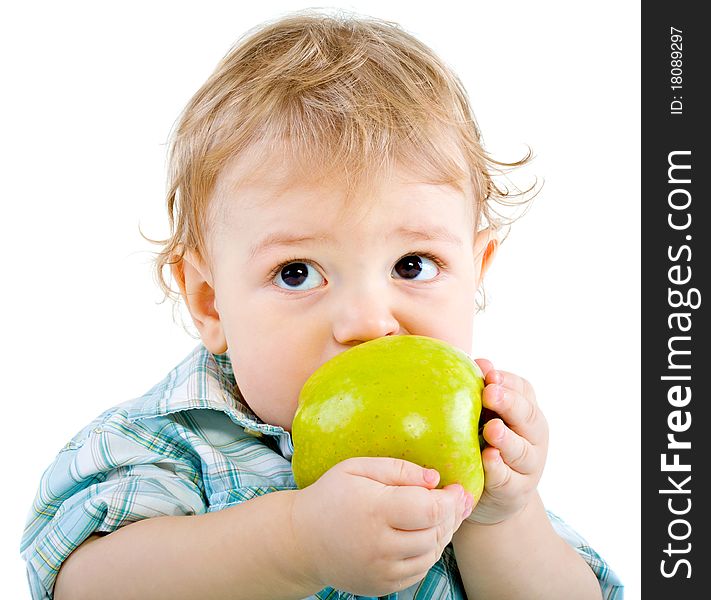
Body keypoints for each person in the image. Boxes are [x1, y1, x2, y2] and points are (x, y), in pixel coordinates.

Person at [20, 10, 623, 600]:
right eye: (297, 273)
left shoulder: (476, 443)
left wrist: (499, 520)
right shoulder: (171, 444)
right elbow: (81, 583)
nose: (367, 322)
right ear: (210, 301)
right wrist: (295, 543)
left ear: (475, 271)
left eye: (412, 265)